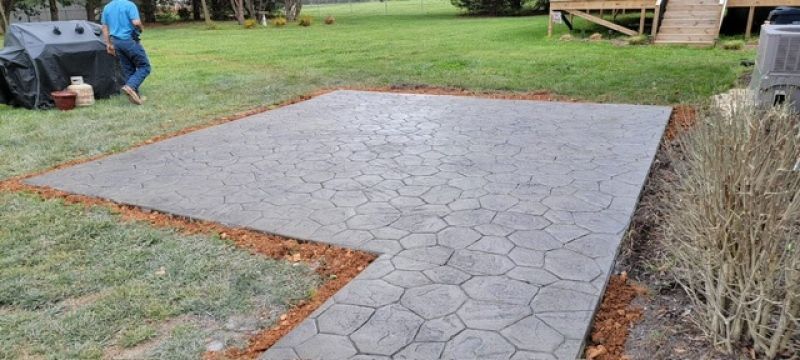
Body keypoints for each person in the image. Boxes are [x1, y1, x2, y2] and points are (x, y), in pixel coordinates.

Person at [101, 0, 150, 105]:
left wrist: (108, 44)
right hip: (129, 41)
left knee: (128, 69)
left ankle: (135, 97)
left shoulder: (107, 7)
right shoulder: (129, 5)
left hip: (116, 42)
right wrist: (141, 28)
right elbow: (136, 22)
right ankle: (130, 86)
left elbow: (105, 28)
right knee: (144, 66)